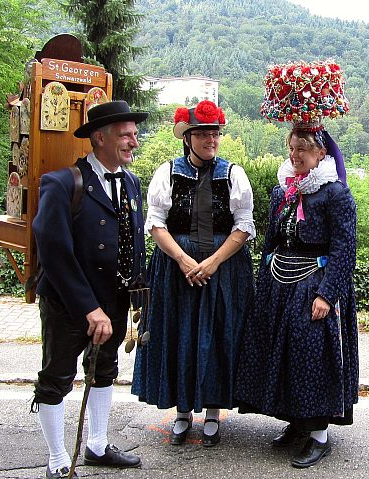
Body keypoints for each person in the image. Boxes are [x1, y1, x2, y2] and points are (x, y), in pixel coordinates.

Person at [235, 59, 358, 469]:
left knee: (312, 356)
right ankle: (296, 423)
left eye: (304, 148)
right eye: (292, 147)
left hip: (314, 284)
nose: (297, 154)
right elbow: (271, 241)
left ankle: (319, 434)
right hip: (279, 283)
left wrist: (328, 293)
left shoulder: (335, 194)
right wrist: (262, 283)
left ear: (322, 151)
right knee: (283, 353)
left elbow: (345, 248)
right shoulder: (282, 190)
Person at [31, 100, 148, 479]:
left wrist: (137, 293)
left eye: (134, 133)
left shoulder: (130, 182)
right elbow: (54, 253)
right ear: (100, 138)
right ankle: (57, 460)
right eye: (125, 134)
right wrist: (87, 308)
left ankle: (96, 446)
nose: (134, 141)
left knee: (104, 370)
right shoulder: (63, 183)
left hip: (112, 299)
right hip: (69, 303)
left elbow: (132, 242)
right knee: (57, 377)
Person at [131, 100, 255, 447]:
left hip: (224, 271)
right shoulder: (167, 172)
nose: (210, 140)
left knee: (218, 334)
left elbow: (244, 226)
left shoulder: (234, 175)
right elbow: (155, 223)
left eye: (214, 133)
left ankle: (213, 410)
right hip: (175, 271)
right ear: (188, 137)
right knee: (179, 333)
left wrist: (213, 261)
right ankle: (183, 411)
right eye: (202, 134)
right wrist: (184, 260)